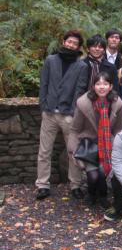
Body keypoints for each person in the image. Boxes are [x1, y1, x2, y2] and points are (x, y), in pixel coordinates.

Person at [36, 29, 88, 200]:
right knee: (44, 151)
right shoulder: (51, 60)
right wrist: (44, 106)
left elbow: (80, 90)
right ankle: (42, 185)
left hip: (69, 115)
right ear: (64, 42)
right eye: (69, 41)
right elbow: (43, 84)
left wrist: (73, 111)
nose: (71, 45)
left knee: (73, 151)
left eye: (75, 43)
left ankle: (75, 185)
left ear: (78, 47)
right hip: (50, 113)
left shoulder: (81, 65)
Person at [68, 72, 122, 208]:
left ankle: (103, 196)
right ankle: (92, 194)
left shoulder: (117, 103)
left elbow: (118, 129)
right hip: (89, 144)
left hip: (108, 144)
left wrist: (119, 147)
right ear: (93, 86)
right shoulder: (83, 103)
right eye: (98, 84)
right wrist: (72, 150)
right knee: (93, 176)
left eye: (105, 84)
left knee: (102, 172)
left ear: (111, 86)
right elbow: (75, 129)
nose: (102, 87)